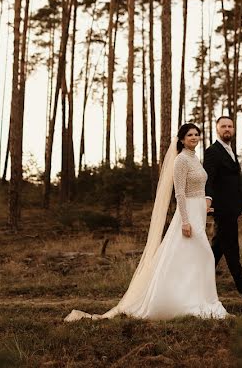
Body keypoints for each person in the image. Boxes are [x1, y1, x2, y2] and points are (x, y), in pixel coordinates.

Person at [65, 123, 228, 321]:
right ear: (182, 139)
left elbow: (198, 188)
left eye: (196, 134)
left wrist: (204, 206)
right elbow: (179, 193)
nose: (194, 137)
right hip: (187, 216)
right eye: (190, 135)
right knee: (206, 257)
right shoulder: (181, 160)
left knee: (193, 259)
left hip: (199, 213)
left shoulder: (195, 159)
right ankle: (179, 301)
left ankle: (196, 298)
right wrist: (185, 221)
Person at [204, 116, 242, 301]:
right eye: (223, 126)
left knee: (216, 251)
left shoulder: (231, 151)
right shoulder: (212, 151)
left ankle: (196, 283)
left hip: (233, 209)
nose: (227, 129)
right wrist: (207, 199)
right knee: (232, 252)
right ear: (217, 129)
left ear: (233, 129)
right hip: (222, 210)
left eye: (230, 126)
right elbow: (208, 179)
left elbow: (236, 185)